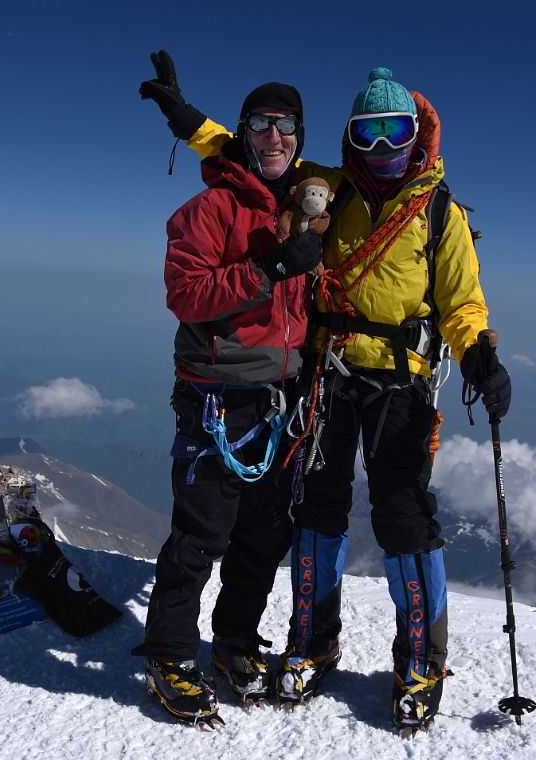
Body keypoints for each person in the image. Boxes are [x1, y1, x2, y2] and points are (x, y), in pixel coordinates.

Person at [140, 52, 512, 733]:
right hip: (326, 376)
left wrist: (481, 356)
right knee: (315, 510)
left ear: (416, 136)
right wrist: (185, 118)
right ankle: (312, 642)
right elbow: (244, 149)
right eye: (367, 134)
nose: (381, 149)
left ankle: (420, 661)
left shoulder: (438, 212)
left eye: (394, 134)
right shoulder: (325, 188)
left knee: (402, 517)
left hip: (399, 381)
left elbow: (462, 302)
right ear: (347, 139)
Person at [132, 73, 324, 726]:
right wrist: (271, 267)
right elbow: (186, 295)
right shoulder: (210, 210)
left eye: (286, 125)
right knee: (202, 535)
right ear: (243, 135)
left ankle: (234, 640)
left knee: (263, 534)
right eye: (260, 123)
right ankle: (169, 654)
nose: (274, 135)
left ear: (299, 139)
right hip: (218, 398)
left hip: (281, 399)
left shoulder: (303, 207)